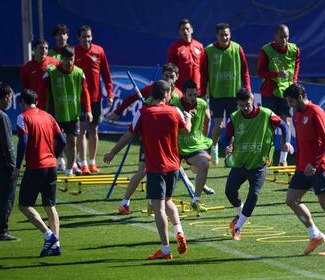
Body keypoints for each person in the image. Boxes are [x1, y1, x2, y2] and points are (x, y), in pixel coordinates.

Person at [104, 80, 191, 260]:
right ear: (167, 94)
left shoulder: (143, 113)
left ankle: (166, 250)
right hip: (174, 166)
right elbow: (186, 130)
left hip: (155, 168)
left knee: (158, 208)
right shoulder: (174, 111)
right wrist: (188, 117)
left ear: (152, 95)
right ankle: (179, 230)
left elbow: (129, 135)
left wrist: (112, 152)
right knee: (168, 201)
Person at [225, 88, 292, 240]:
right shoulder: (234, 117)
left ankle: (238, 227)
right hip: (240, 162)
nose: (245, 108)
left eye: (247, 104)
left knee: (253, 194)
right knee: (229, 191)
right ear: (238, 104)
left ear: (253, 100)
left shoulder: (266, 114)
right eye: (242, 106)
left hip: (259, 163)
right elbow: (226, 136)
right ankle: (240, 213)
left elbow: (283, 126)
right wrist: (227, 145)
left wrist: (286, 142)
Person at [283, 83, 325, 256]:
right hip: (302, 167)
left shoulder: (316, 112)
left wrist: (314, 163)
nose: (290, 105)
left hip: (320, 167)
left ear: (300, 97)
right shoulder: (296, 114)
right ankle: (315, 235)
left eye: (291, 101)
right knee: (291, 200)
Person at [13, 89, 66, 256]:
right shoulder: (48, 116)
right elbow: (62, 141)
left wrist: (17, 166)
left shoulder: (23, 116)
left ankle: (48, 235)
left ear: (22, 101)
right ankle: (55, 245)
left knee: (24, 205)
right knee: (50, 205)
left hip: (36, 166)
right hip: (51, 165)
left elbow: (23, 141)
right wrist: (53, 156)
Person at [201, 22, 251, 165]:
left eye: (227, 34)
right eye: (222, 35)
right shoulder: (209, 51)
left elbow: (245, 71)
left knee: (235, 125)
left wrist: (247, 88)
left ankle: (230, 152)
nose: (224, 37)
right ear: (217, 36)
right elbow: (204, 74)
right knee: (219, 124)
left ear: (230, 34)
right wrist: (204, 92)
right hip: (216, 94)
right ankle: (215, 146)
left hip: (234, 95)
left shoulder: (237, 48)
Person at [42, 45, 92, 176]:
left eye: (72, 59)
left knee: (72, 141)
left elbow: (85, 92)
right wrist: (41, 111)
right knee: (55, 142)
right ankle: (54, 165)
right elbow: (43, 93)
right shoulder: (50, 72)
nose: (69, 62)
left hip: (73, 114)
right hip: (54, 114)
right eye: (66, 59)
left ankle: (69, 170)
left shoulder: (79, 73)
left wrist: (88, 110)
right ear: (61, 58)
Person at [257, 24, 300, 166]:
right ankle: (267, 157)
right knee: (271, 125)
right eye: (281, 37)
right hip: (270, 92)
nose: (284, 40)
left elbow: (296, 69)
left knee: (286, 122)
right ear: (275, 37)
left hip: (287, 94)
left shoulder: (295, 50)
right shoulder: (266, 50)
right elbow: (260, 73)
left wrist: (293, 84)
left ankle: (283, 160)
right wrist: (276, 74)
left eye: (286, 36)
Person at [75, 25, 113, 174]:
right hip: (79, 98)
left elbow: (106, 74)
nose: (87, 39)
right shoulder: (74, 52)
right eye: (84, 36)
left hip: (96, 98)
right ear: (78, 38)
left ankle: (92, 162)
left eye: (89, 36)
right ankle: (83, 163)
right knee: (82, 129)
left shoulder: (99, 51)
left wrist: (110, 93)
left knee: (94, 129)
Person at [174, 80, 212, 212]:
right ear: (183, 94)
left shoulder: (201, 103)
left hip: (193, 144)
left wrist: (203, 139)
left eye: (195, 94)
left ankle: (196, 200)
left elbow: (207, 120)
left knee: (204, 164)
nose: (193, 98)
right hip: (175, 145)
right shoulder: (174, 105)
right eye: (189, 95)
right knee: (168, 177)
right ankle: (153, 202)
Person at [0, 82, 18, 241]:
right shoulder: (2, 116)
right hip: (2, 165)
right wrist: (13, 166)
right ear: (5, 97)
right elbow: (7, 144)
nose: (11, 100)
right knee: (6, 197)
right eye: (10, 97)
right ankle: (1, 231)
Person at [20, 39, 59, 109]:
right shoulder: (26, 68)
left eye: (46, 48)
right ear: (34, 49)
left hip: (54, 104)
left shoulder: (55, 63)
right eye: (41, 48)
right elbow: (26, 89)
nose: (44, 50)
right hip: (37, 105)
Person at [167, 19, 204, 92]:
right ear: (179, 32)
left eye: (187, 28)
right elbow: (171, 69)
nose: (185, 31)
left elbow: (204, 68)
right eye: (182, 29)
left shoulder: (199, 46)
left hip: (198, 89)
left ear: (192, 30)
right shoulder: (174, 48)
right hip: (181, 89)